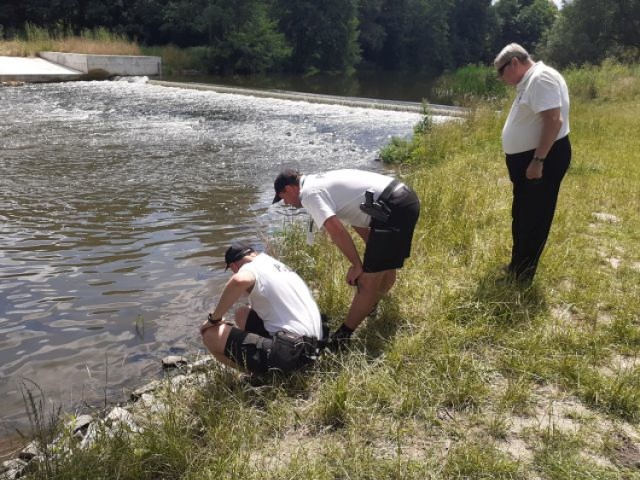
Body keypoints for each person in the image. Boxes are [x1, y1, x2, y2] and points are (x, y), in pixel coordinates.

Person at [272, 168, 420, 347]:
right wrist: (371, 252)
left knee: (367, 281)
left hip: (392, 207)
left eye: (283, 198)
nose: (286, 203)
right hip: (402, 199)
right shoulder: (318, 181)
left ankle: (341, 339)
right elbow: (355, 216)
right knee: (383, 266)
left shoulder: (309, 194)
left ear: (289, 189)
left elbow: (336, 230)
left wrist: (357, 265)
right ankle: (370, 304)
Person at [494, 43, 571, 284]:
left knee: (534, 218)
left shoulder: (541, 78)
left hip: (541, 159)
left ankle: (522, 276)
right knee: (523, 214)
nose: (501, 78)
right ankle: (517, 266)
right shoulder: (530, 80)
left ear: (514, 62)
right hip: (531, 159)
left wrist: (538, 160)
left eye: (501, 71)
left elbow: (553, 120)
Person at [200, 242, 324, 374]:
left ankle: (259, 377)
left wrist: (214, 319)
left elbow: (239, 281)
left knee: (210, 335)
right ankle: (266, 364)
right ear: (253, 253)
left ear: (233, 266)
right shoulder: (272, 263)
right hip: (314, 347)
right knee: (242, 314)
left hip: (293, 354)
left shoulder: (249, 268)